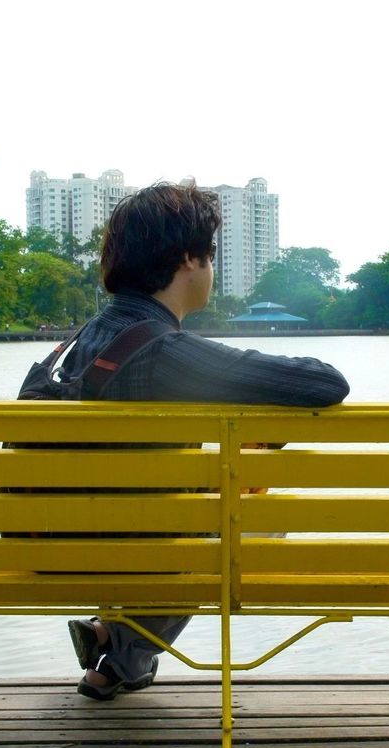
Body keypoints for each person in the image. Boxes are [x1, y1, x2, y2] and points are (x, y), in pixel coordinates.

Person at [57, 182, 349, 700]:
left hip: (58, 546)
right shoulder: (164, 351)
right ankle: (124, 651)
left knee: (201, 511)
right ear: (189, 259)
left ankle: (112, 644)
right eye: (210, 254)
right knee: (256, 516)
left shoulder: (76, 345)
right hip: (136, 551)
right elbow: (326, 383)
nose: (211, 267)